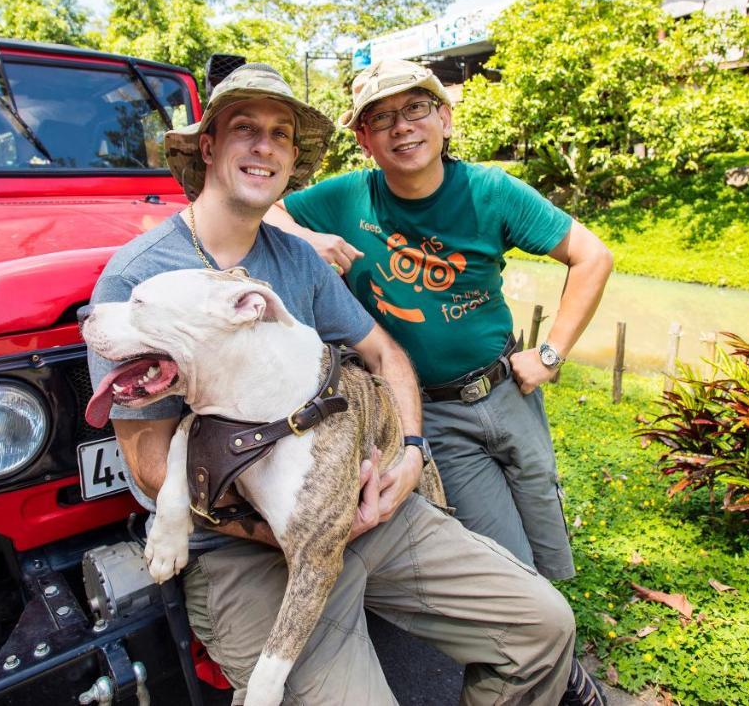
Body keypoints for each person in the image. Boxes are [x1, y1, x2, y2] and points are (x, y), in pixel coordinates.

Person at [89, 63, 604, 705]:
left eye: (281, 134)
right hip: (244, 545)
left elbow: (386, 353)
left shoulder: (296, 259)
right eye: (245, 128)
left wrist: (412, 454)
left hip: (367, 503)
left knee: (542, 624)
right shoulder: (144, 284)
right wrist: (303, 528)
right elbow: (147, 461)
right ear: (209, 146)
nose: (265, 146)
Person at [267, 59, 613, 582]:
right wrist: (310, 239)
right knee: (508, 564)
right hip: (433, 410)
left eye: (415, 108)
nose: (401, 126)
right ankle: (524, 630)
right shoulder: (346, 197)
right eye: (381, 119)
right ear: (364, 138)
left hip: (508, 389)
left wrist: (550, 354)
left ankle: (557, 638)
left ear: (444, 119)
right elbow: (265, 207)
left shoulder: (491, 191)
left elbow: (592, 255)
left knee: (547, 526)